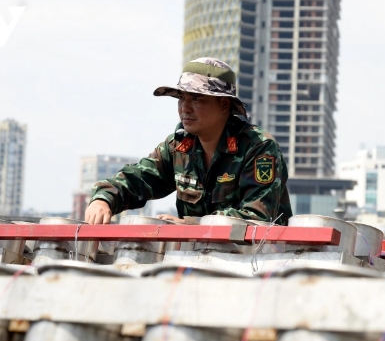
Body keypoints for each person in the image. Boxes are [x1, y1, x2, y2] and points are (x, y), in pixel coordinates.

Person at [84, 57, 292, 225]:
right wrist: (104, 198)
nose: (185, 107)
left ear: (224, 105)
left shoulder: (258, 147)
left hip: (258, 263)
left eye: (197, 99)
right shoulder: (179, 146)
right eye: (182, 98)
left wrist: (192, 225)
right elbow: (139, 178)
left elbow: (256, 218)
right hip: (196, 259)